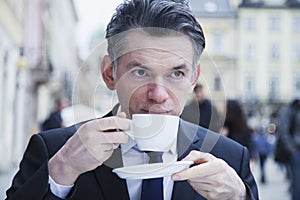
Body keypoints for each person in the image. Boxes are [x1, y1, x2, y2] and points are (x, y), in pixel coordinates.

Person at [6, 0, 258, 199]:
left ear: (193, 78)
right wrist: (61, 172)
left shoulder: (230, 158)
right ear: (109, 73)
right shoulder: (54, 151)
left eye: (176, 73)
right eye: (140, 72)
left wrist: (239, 197)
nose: (158, 95)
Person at [277, 99, 300, 200]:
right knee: (297, 182)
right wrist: (292, 150)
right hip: (296, 151)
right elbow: (283, 132)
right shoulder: (290, 111)